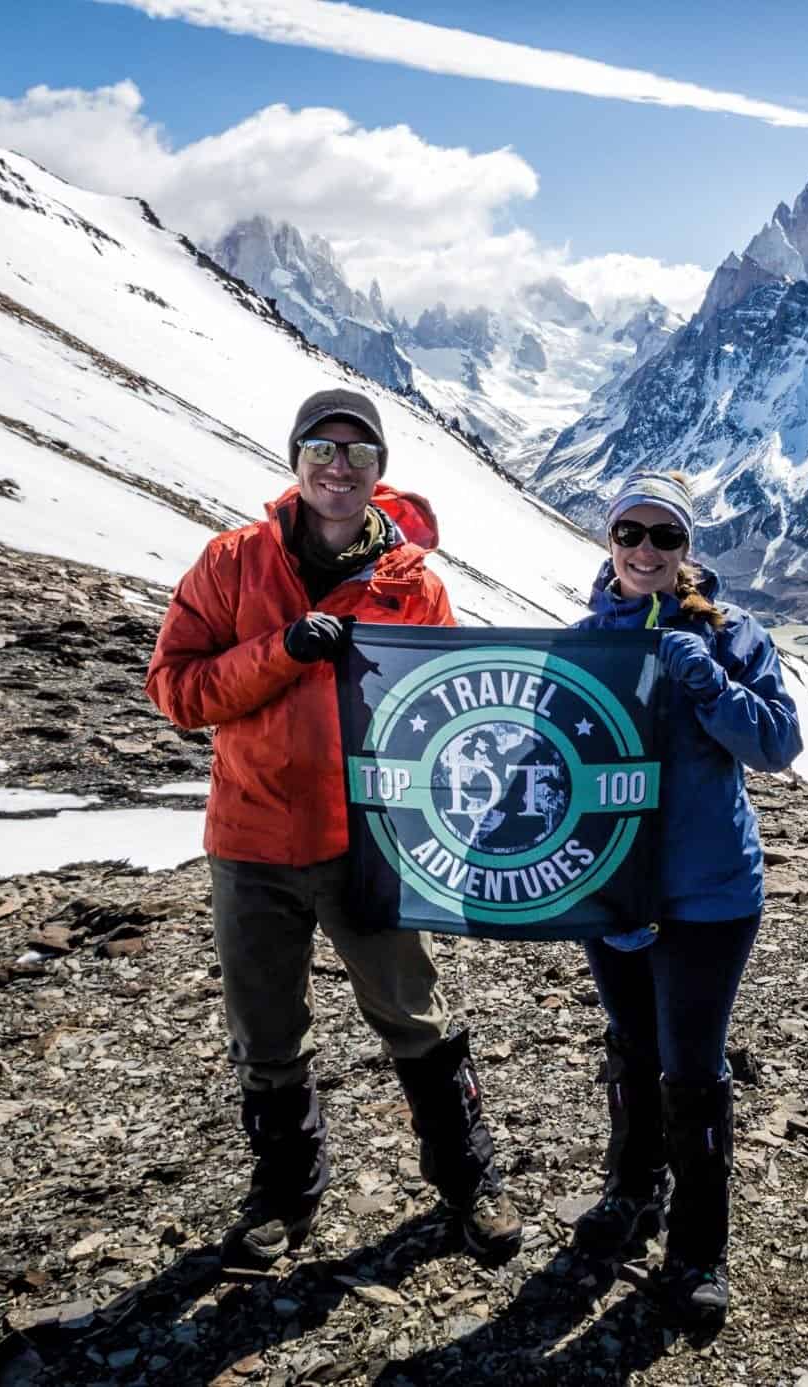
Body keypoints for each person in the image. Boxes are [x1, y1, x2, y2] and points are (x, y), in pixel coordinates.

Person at [145, 388, 522, 1271]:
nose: (339, 466)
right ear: (297, 459)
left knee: (414, 1015)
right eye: (323, 447)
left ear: (380, 469)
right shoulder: (232, 563)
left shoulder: (413, 586)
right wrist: (281, 652)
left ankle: (469, 1180)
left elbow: (446, 719)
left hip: (369, 842)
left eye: (359, 451)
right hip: (252, 840)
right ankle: (285, 1192)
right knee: (265, 1029)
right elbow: (177, 690)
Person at [568, 469, 803, 1324]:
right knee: (632, 1043)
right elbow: (551, 757)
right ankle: (633, 1192)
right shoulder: (585, 642)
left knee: (693, 1065)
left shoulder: (731, 634)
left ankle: (700, 1246)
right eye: (630, 532)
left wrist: (709, 683)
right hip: (614, 886)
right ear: (610, 540)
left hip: (710, 893)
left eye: (665, 535)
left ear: (687, 547)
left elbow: (777, 743)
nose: (646, 549)